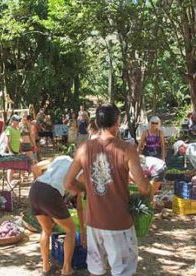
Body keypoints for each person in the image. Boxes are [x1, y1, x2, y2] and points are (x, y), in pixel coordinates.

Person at [64, 103, 150, 276]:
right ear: (117, 122)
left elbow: (68, 183)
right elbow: (143, 187)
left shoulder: (84, 149)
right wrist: (147, 190)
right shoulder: (127, 149)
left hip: (94, 222)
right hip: (118, 222)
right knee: (122, 271)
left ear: (97, 122)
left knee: (96, 270)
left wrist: (87, 188)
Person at [29, 155, 84, 275]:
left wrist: (42, 186)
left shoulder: (61, 158)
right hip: (51, 193)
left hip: (35, 188)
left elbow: (35, 168)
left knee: (46, 229)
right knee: (71, 230)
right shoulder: (80, 171)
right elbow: (79, 206)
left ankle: (45, 267)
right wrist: (83, 232)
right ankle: (67, 269)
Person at [5, 115, 22, 184]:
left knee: (14, 167)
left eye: (18, 121)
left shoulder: (18, 130)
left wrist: (20, 150)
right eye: (17, 120)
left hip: (17, 151)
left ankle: (11, 180)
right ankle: (9, 182)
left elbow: (18, 141)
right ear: (12, 121)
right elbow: (7, 142)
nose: (18, 122)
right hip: (11, 152)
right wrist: (10, 151)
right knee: (11, 167)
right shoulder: (9, 129)